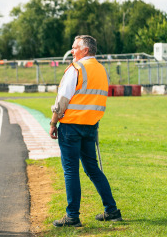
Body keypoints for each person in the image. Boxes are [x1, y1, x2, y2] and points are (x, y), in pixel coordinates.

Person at [49, 35, 122, 227]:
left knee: (71, 171)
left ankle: (72, 216)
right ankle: (111, 210)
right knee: (92, 169)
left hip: (71, 126)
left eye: (74, 48)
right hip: (91, 127)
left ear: (85, 50)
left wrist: (53, 122)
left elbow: (62, 99)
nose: (72, 51)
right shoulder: (101, 70)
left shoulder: (76, 69)